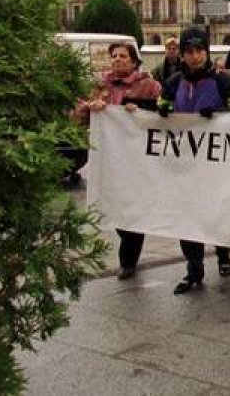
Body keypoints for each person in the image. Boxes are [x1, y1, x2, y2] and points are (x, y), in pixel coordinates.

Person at [155, 26, 230, 294]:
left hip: (215, 166)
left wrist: (227, 109)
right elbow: (161, 104)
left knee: (217, 214)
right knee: (187, 217)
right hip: (184, 165)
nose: (195, 56)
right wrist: (160, 109)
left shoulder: (220, 80)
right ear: (183, 54)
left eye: (200, 50)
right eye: (189, 51)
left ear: (207, 53)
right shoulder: (175, 81)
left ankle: (223, 255)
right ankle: (194, 269)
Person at [73, 42, 161, 280]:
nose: (117, 60)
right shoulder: (101, 85)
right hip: (109, 159)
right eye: (114, 56)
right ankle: (128, 250)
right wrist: (90, 109)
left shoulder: (149, 85)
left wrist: (141, 110)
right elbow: (77, 114)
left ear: (134, 61)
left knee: (134, 208)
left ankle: (128, 260)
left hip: (137, 160)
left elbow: (161, 114)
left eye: (123, 56)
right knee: (115, 206)